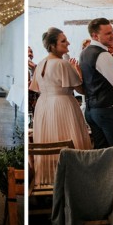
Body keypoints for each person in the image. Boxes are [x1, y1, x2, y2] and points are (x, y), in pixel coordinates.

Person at [30, 28, 92, 185]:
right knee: (69, 138)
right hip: (63, 105)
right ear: (52, 45)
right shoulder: (63, 64)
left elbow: (36, 88)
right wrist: (80, 73)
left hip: (44, 106)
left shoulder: (41, 64)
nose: (68, 43)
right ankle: (75, 181)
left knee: (49, 139)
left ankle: (50, 179)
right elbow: (82, 90)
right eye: (63, 41)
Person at [80, 18, 113, 149]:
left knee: (102, 153)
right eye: (108, 33)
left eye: (112, 32)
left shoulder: (84, 53)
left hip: (92, 110)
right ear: (94, 36)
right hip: (109, 112)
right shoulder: (103, 55)